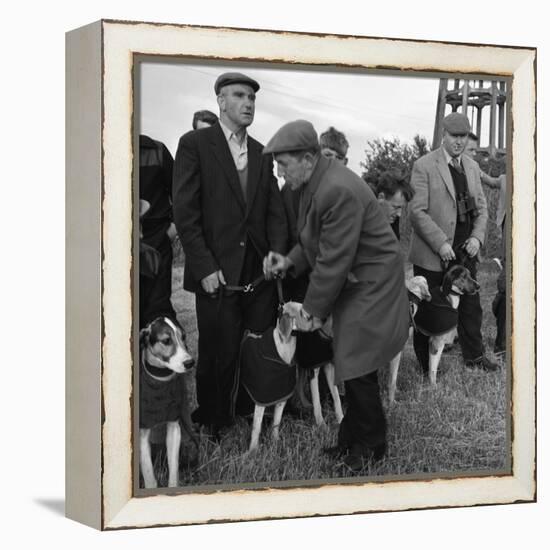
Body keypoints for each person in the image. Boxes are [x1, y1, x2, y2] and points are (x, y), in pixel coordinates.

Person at [263, 120, 410, 473]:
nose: (280, 173)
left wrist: (312, 310)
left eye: (284, 164)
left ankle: (371, 447)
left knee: (357, 364)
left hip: (371, 283)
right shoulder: (316, 184)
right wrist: (289, 261)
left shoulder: (335, 189)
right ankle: (351, 441)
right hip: (357, 281)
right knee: (350, 360)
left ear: (308, 158)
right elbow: (314, 242)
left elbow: (334, 260)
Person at [172, 72, 288, 436]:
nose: (248, 103)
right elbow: (186, 212)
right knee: (217, 350)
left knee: (254, 345)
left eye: (252, 97)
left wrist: (275, 255)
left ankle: (247, 407)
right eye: (239, 95)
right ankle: (214, 419)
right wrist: (204, 266)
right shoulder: (194, 143)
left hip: (256, 273)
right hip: (215, 270)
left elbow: (273, 212)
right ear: (221, 101)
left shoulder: (260, 151)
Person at [409, 112, 498, 373]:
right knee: (429, 308)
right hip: (433, 253)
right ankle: (427, 365)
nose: (459, 142)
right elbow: (416, 212)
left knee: (471, 307)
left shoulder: (471, 166)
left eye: (463, 137)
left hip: (465, 252)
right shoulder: (423, 165)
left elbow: (482, 209)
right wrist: (440, 243)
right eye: (454, 136)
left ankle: (474, 356)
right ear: (443, 135)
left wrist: (477, 238)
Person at [139, 135, 179, 329]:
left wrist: (172, 230)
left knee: (157, 308)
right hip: (113, 247)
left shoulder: (157, 150)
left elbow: (180, 194)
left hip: (157, 241)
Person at [375, 169, 414, 240]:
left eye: (401, 208)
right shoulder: (360, 223)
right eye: (395, 207)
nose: (399, 214)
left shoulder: (393, 226)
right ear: (381, 197)